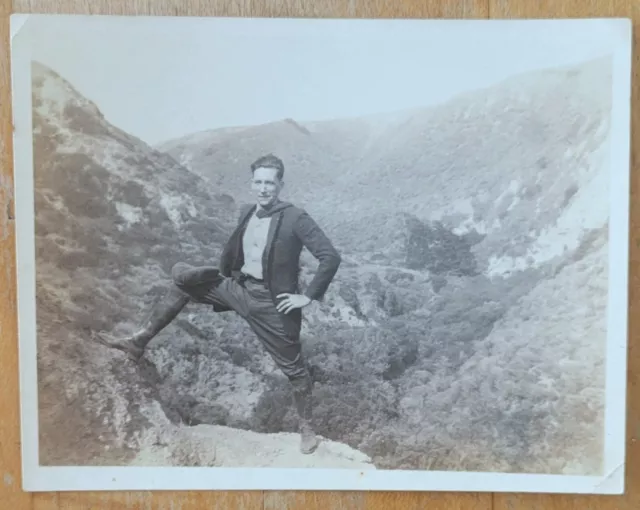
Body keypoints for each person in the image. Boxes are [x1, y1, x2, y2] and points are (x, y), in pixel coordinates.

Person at [94, 153, 342, 455]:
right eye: (259, 182)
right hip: (239, 289)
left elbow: (330, 256)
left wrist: (308, 296)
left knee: (295, 371)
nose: (264, 188)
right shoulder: (247, 211)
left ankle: (307, 429)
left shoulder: (295, 217)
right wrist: (224, 276)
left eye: (270, 183)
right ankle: (138, 342)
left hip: (273, 304)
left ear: (280, 184)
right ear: (252, 184)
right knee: (182, 286)